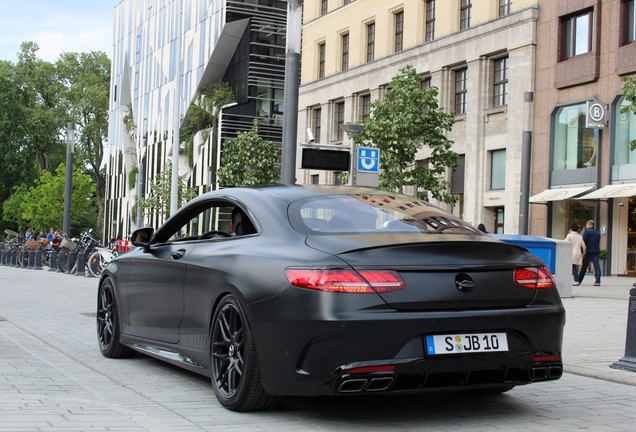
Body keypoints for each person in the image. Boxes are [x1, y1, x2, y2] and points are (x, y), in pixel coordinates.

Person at [575, 220, 602, 286]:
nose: (586, 226)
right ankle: (598, 281)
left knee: (584, 267)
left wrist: (583, 252)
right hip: (596, 251)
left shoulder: (587, 232)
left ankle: (579, 280)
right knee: (596, 266)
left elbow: (584, 242)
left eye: (587, 225)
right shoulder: (597, 233)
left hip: (588, 251)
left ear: (589, 225)